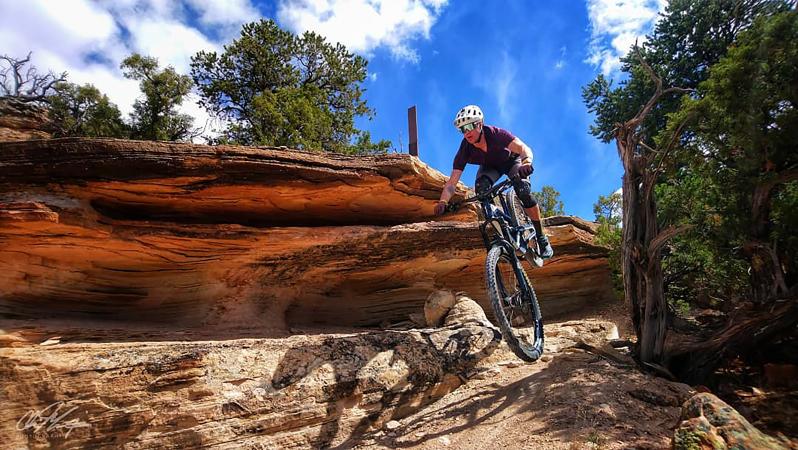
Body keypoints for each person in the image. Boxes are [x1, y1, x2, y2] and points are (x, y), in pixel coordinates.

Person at [434, 104, 554, 259]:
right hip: (490, 167)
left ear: (480, 124)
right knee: (481, 190)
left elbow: (524, 148)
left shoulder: (496, 134)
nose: (466, 132)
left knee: (523, 189)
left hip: (511, 162)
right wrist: (443, 201)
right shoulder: (465, 149)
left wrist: (526, 163)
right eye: (462, 129)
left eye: (469, 126)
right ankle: (503, 232)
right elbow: (451, 183)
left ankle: (541, 237)